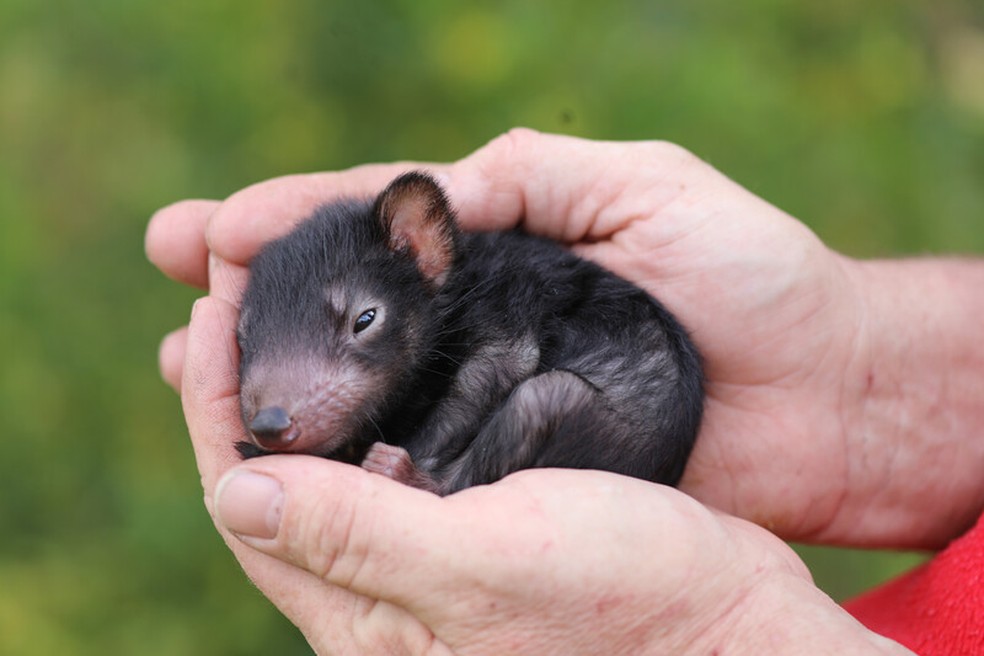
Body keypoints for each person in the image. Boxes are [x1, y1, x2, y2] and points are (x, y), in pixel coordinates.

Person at [146, 129, 984, 654]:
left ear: (422, 254)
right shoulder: (428, 312)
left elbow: (504, 363)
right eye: (255, 343)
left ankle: (431, 481)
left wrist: (720, 636)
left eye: (357, 324)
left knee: (532, 401)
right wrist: (866, 369)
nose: (277, 399)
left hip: (618, 397)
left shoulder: (483, 313)